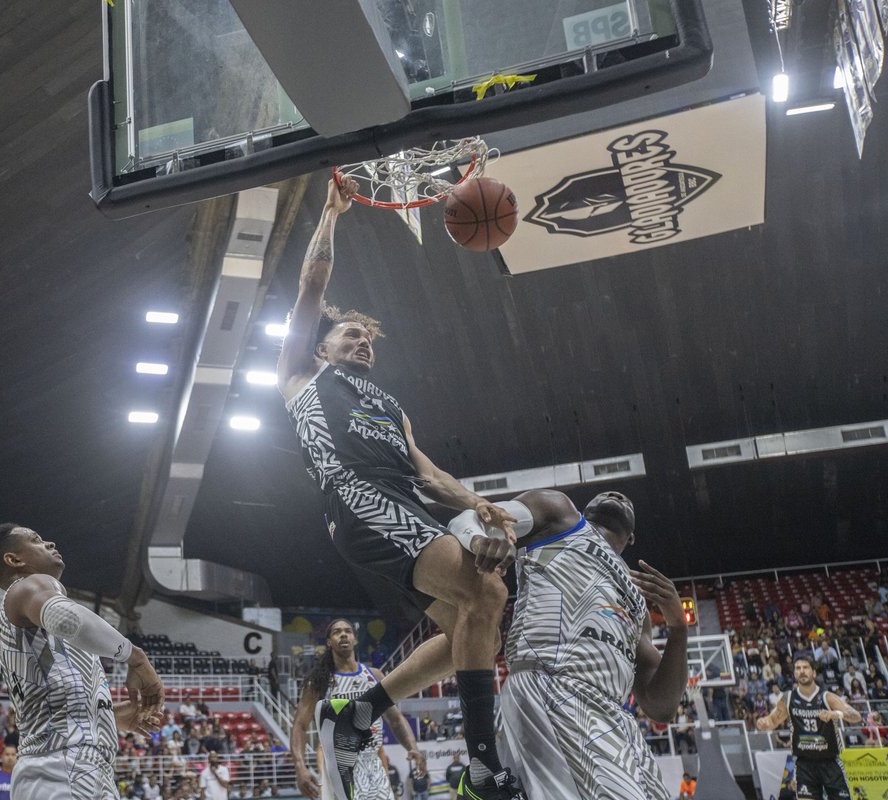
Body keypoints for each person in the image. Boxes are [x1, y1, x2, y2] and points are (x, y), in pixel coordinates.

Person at [277, 173, 521, 800]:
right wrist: (331, 216)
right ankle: (485, 767)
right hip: (356, 495)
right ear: (324, 348)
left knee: (473, 626)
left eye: (368, 339)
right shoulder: (302, 374)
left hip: (403, 502)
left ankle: (359, 713)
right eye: (350, 335)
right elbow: (311, 285)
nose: (362, 342)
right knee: (485, 591)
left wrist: (480, 504)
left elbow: (430, 475)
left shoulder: (391, 405)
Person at [447, 489, 689, 800]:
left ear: (631, 539)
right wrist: (480, 540)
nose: (618, 494)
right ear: (587, 510)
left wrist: (678, 629)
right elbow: (467, 518)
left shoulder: (639, 608)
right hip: (552, 682)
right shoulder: (559, 514)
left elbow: (661, 706)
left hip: (613, 716)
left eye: (627, 498)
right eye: (608, 492)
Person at [0, 523, 165, 800]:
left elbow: (48, 701)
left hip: (69, 769)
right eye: (36, 540)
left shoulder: (30, 623)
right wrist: (137, 658)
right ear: (15, 560)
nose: (50, 543)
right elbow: (68, 619)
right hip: (62, 770)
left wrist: (104, 716)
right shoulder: (29, 584)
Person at [291, 619, 425, 799]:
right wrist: (300, 767)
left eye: (348, 631)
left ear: (355, 639)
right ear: (329, 642)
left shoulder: (374, 675)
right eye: (337, 632)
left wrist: (412, 747)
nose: (343, 634)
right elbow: (299, 725)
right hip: (339, 769)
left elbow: (395, 718)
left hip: (374, 767)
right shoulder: (319, 681)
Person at [756, 658, 862, 800]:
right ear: (794, 673)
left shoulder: (826, 697)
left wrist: (836, 714)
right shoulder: (788, 698)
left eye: (805, 667)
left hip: (830, 761)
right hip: (804, 764)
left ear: (813, 673)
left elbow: (856, 716)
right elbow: (772, 721)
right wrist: (763, 722)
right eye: (798, 668)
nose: (802, 671)